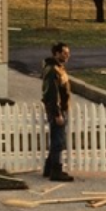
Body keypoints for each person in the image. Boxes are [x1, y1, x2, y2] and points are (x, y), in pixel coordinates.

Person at [40, 42, 73, 182]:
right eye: (64, 53)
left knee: (56, 140)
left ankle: (49, 169)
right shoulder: (53, 70)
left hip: (60, 109)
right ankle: (56, 171)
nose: (67, 55)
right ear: (56, 54)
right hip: (56, 110)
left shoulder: (59, 68)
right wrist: (57, 113)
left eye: (68, 53)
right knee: (58, 141)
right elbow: (52, 94)